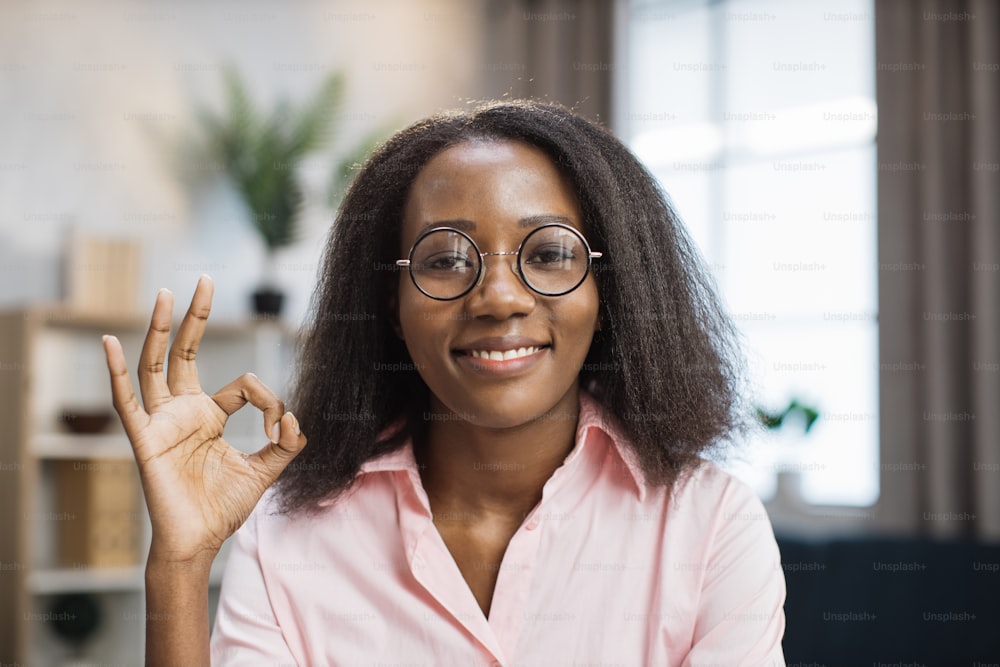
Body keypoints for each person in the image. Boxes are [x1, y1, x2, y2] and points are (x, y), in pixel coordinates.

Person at [103, 99, 786, 666]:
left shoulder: (710, 525)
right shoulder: (286, 535)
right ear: (392, 307)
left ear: (610, 292)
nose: (497, 297)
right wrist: (181, 566)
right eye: (446, 259)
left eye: (547, 253)